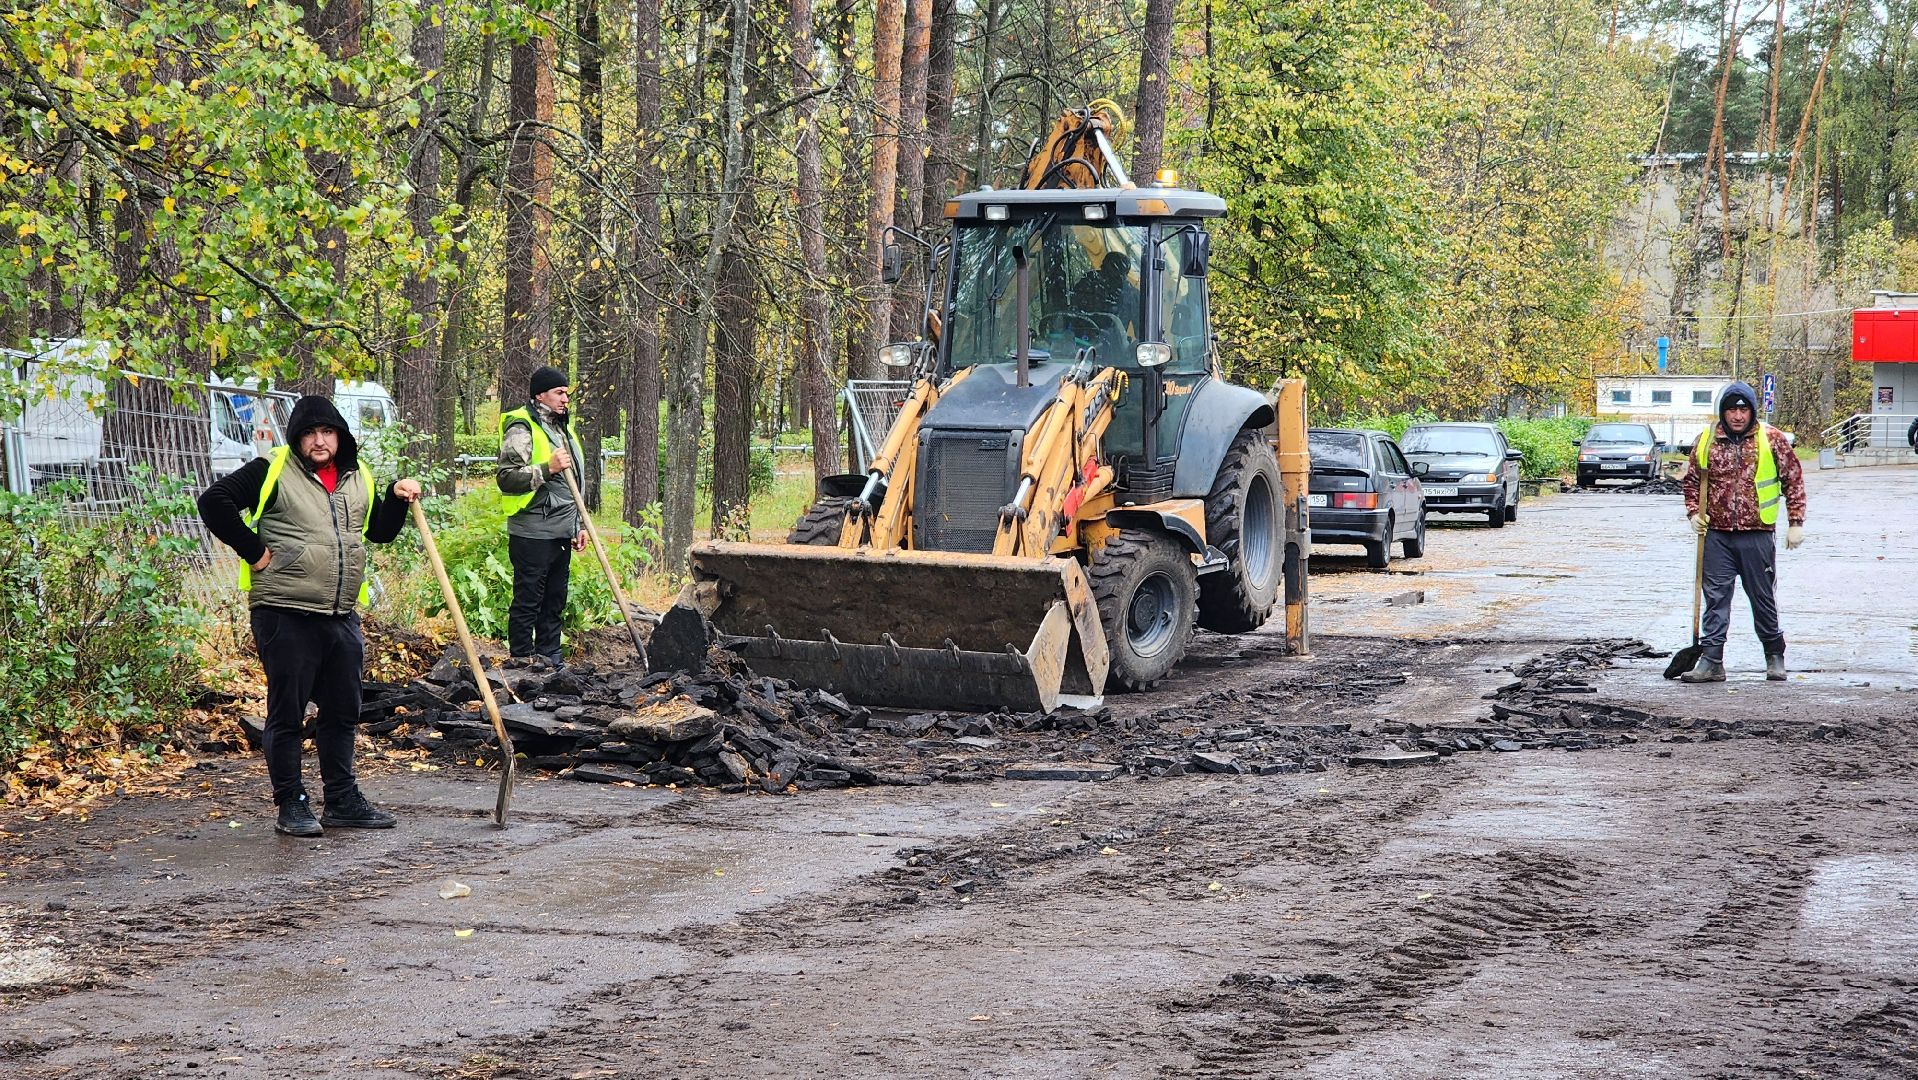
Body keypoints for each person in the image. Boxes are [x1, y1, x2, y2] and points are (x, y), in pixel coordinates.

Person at [199, 395, 422, 836]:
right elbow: (214, 502)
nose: (319, 442)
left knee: (342, 710)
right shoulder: (272, 469)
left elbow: (378, 532)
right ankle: (292, 804)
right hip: (285, 612)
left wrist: (396, 496)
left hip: (340, 613)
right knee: (288, 713)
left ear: (340, 436)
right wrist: (255, 552)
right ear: (297, 439)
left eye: (327, 433)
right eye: (309, 434)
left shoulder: (358, 477)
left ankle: (341, 799)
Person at [1679, 381, 1807, 684]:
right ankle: (1711, 661)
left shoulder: (1771, 439)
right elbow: (1691, 481)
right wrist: (1693, 512)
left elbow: (1794, 480)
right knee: (1716, 598)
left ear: (1752, 411)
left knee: (1762, 598)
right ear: (1723, 412)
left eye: (1743, 409)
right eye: (1731, 409)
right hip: (1717, 535)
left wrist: (1796, 522)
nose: (1737, 415)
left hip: (1756, 533)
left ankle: (1774, 656)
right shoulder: (1707, 440)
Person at [497, 365, 587, 666]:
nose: (565, 399)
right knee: (528, 601)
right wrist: (546, 468)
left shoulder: (561, 428)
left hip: (562, 531)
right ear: (540, 395)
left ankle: (551, 660)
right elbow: (507, 478)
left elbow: (569, 489)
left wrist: (579, 525)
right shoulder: (522, 427)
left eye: (566, 393)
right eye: (559, 393)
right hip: (533, 531)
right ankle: (521, 660)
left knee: (554, 601)